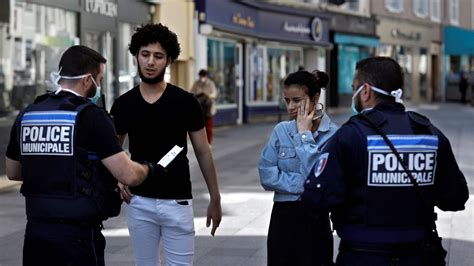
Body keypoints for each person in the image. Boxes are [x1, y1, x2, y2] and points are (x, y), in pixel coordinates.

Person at [302, 57, 469, 265]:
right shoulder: (429, 133)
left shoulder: (350, 136)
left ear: (365, 91)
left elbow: (315, 198)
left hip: (363, 256)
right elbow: (455, 198)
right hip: (420, 256)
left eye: (354, 87)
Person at [5, 45, 155, 266]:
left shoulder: (28, 114)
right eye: (100, 80)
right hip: (77, 237)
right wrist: (149, 169)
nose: (99, 86)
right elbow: (129, 175)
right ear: (87, 80)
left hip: (36, 234)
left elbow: (13, 172)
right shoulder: (91, 116)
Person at [110, 23, 222, 266]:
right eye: (145, 54)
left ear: (169, 60)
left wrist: (215, 197)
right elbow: (113, 151)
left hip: (178, 201)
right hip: (139, 202)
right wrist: (119, 178)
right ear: (136, 56)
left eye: (158, 56)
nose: (150, 62)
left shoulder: (186, 102)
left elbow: (203, 151)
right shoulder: (124, 104)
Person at [259, 70, 338, 266]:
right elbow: (267, 175)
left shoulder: (334, 135)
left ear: (315, 98)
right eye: (287, 101)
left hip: (315, 219)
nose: (291, 107)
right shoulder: (281, 130)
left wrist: (304, 135)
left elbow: (322, 178)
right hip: (283, 217)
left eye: (297, 100)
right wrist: (305, 185)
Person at [191, 69, 217, 144]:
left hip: (208, 108)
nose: (202, 78)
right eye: (201, 76)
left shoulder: (210, 83)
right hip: (198, 108)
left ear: (206, 76)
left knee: (208, 127)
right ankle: (201, 143)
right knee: (199, 127)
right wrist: (198, 95)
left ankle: (209, 143)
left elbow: (214, 93)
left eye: (203, 76)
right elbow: (191, 92)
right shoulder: (196, 83)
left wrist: (208, 96)